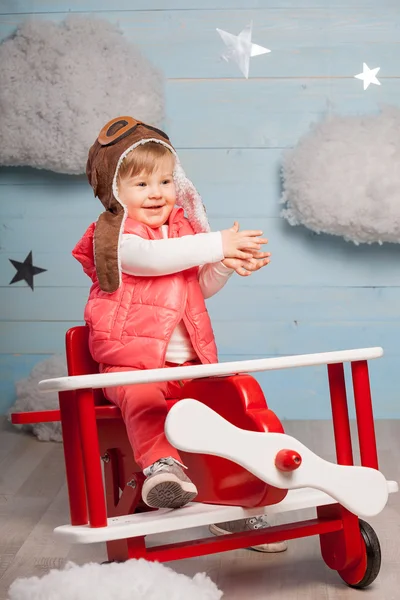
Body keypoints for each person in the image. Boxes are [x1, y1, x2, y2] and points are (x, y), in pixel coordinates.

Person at [72, 116, 287, 552]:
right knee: (143, 399)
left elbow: (196, 285)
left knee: (225, 409)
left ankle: (236, 500)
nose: (157, 193)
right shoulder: (113, 236)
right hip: (131, 364)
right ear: (115, 192)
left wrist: (224, 264)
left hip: (189, 365)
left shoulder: (184, 231)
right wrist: (216, 244)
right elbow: (152, 259)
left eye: (166, 181)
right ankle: (163, 470)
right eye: (141, 184)